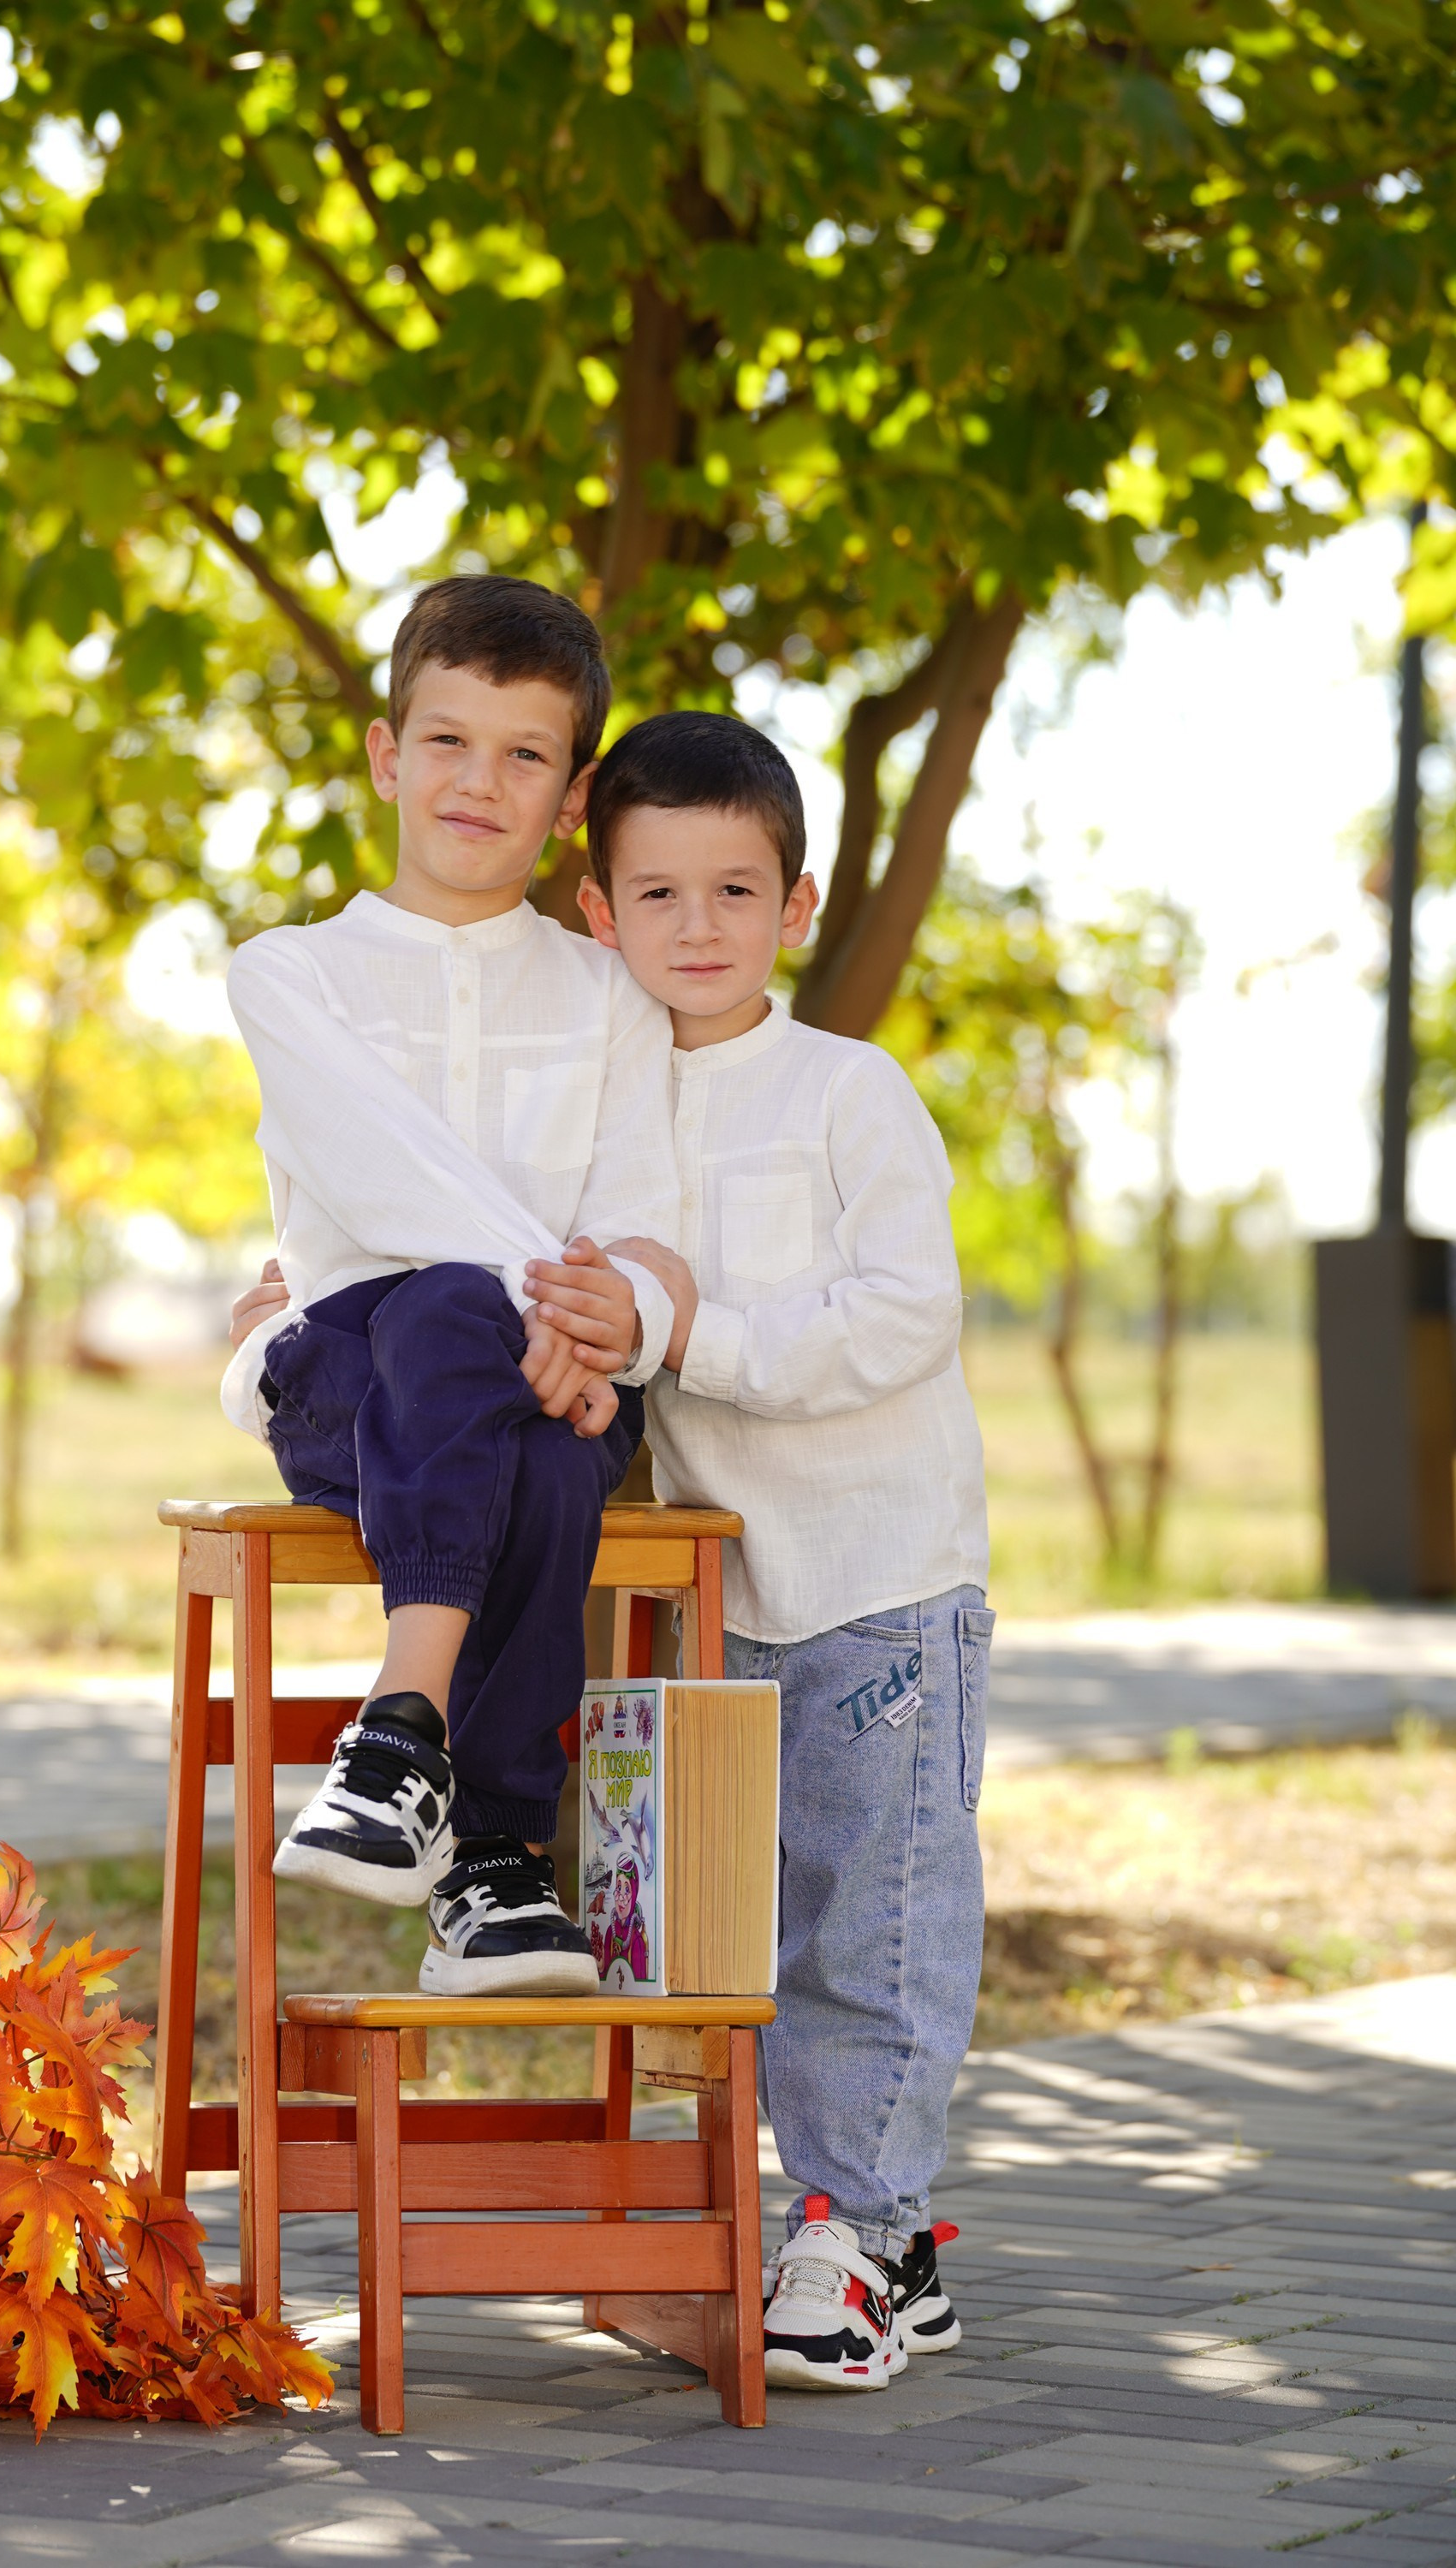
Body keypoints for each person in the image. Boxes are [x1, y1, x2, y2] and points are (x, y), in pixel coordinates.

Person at [571, 710, 991, 2392]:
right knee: (696, 1926)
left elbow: (903, 1315)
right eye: (656, 892)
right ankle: (827, 2219)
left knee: (868, 1912)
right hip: (706, 1594)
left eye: (733, 890)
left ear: (796, 906)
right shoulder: (595, 1113)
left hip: (880, 1575)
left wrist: (693, 1333)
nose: (695, 926)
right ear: (595, 914)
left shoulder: (844, 1090)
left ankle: (863, 2228)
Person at [221, 575, 678, 1997]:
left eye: (525, 754)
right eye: (448, 741)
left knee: (545, 1453)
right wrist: (554, 1306)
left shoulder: (612, 994)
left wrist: (616, 1326)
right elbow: (381, 1182)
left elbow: (642, 1203)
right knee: (440, 1306)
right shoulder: (288, 975)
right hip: (351, 1379)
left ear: (572, 791)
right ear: (384, 753)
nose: (481, 781)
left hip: (560, 1388)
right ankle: (480, 1833)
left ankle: (422, 1790)